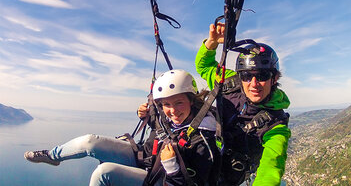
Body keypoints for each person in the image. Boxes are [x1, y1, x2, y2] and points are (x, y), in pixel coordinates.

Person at [25, 69, 219, 186]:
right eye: (166, 105)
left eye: (179, 103)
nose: (173, 111)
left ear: (192, 101)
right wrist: (141, 113)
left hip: (161, 179)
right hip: (143, 159)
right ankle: (53, 156)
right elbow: (158, 121)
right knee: (90, 142)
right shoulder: (166, 116)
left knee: (104, 172)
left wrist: (171, 166)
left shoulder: (202, 141)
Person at [195, 23, 291, 186]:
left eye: (262, 75)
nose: (254, 84)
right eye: (247, 75)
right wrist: (211, 43)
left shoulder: (275, 124)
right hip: (202, 159)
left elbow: (271, 167)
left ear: (274, 79)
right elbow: (204, 66)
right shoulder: (229, 83)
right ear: (240, 76)